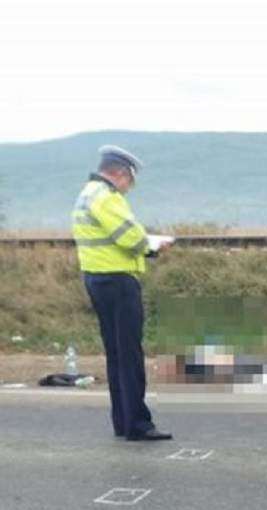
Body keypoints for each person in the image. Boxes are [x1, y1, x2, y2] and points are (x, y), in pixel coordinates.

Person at [71, 145, 172, 441]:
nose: (129, 188)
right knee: (129, 354)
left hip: (96, 278)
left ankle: (122, 421)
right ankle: (138, 424)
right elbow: (130, 236)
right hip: (117, 281)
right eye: (130, 180)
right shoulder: (106, 197)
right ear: (120, 173)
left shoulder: (86, 194)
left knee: (116, 354)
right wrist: (152, 245)